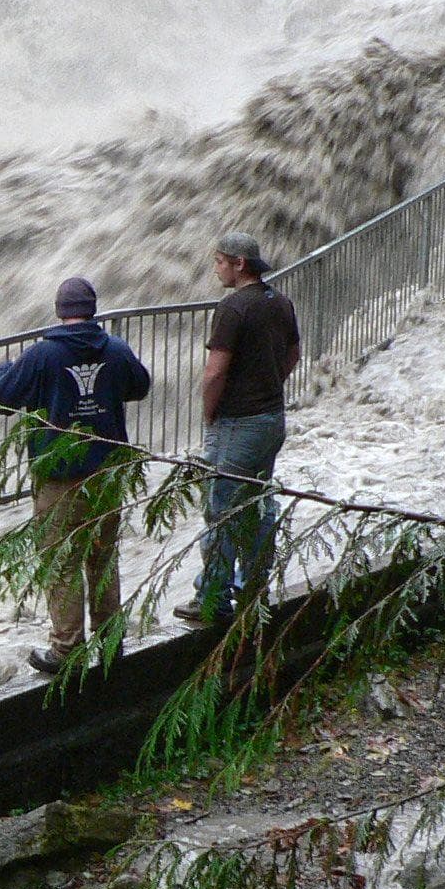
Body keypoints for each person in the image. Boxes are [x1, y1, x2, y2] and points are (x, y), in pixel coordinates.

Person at [0, 275, 153, 674]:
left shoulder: (42, 355)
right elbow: (140, 385)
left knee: (61, 562)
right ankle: (110, 639)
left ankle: (67, 650)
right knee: (102, 558)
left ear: (60, 311)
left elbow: (2, 399)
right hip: (107, 473)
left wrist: (2, 368)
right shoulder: (115, 349)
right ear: (93, 310)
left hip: (59, 478)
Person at [180, 230, 301, 625]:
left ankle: (213, 599)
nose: (215, 268)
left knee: (221, 509)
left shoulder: (233, 308)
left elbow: (215, 372)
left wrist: (210, 413)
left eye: (219, 261)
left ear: (239, 264)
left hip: (238, 423)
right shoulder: (279, 302)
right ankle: (254, 589)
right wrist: (269, 384)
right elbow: (294, 353)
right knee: (257, 504)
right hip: (270, 420)